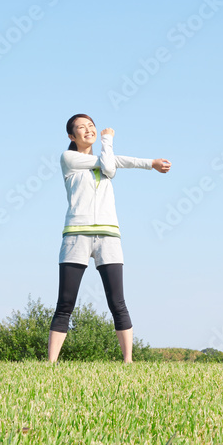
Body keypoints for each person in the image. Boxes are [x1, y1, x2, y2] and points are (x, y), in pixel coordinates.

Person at [48, 113, 171, 364]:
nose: (88, 130)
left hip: (109, 236)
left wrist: (152, 163)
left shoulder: (104, 159)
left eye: (91, 126)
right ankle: (50, 364)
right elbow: (110, 166)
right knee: (65, 303)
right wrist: (107, 139)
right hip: (76, 235)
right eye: (81, 128)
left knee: (117, 301)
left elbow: (114, 162)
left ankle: (128, 361)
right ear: (72, 136)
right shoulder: (69, 158)